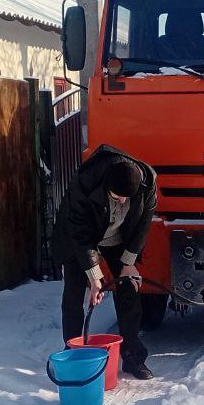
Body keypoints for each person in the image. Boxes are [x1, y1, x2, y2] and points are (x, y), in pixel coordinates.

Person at [50, 144, 158, 380]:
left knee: (129, 288)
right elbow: (80, 233)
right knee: (73, 294)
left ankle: (133, 357)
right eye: (116, 197)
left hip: (118, 237)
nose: (122, 201)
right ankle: (72, 354)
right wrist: (94, 276)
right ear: (106, 186)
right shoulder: (84, 183)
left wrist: (129, 262)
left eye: (127, 198)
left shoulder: (148, 182)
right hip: (79, 238)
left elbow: (142, 225)